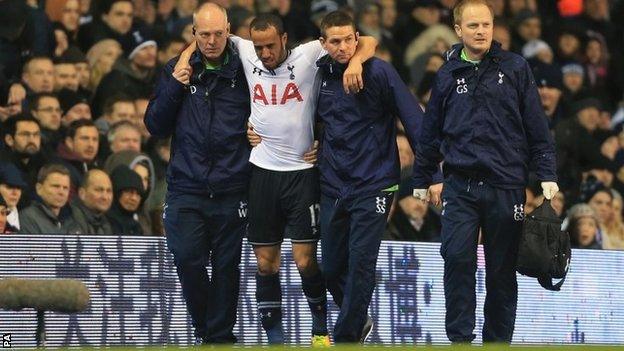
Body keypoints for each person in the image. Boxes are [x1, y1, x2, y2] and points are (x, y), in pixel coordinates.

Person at [176, 9, 377, 345]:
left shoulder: (308, 54)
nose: (264, 53)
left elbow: (367, 39)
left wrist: (356, 63)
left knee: (305, 260)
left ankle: (319, 329)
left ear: (284, 39)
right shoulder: (241, 48)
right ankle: (275, 339)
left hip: (302, 172)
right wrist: (184, 56)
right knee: (266, 264)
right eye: (259, 47)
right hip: (261, 173)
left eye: (270, 45)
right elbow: (203, 38)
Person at [412, 0, 558, 343]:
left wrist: (547, 173)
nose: (481, 32)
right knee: (457, 259)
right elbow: (431, 130)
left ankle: (497, 344)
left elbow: (537, 126)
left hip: (507, 186)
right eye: (473, 26)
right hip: (460, 186)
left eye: (487, 25)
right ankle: (460, 341)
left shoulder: (516, 67)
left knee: (502, 274)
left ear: (494, 28)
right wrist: (422, 177)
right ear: (458, 29)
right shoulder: (447, 73)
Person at [313, 10, 425, 343]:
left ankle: (346, 337)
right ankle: (359, 319)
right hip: (333, 182)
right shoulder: (317, 75)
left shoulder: (378, 72)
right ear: (323, 44)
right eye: (335, 41)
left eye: (350, 39)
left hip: (375, 181)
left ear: (358, 38)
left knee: (361, 261)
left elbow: (413, 118)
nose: (344, 46)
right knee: (332, 267)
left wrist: (430, 172)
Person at [144, 3, 251, 344]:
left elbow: (269, 112)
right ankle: (209, 330)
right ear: (193, 34)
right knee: (188, 260)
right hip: (186, 187)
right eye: (204, 34)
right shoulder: (176, 69)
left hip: (233, 187)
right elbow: (154, 125)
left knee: (226, 269)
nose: (211, 41)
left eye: (218, 33)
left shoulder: (247, 70)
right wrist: (175, 85)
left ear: (229, 30)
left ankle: (218, 338)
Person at [19, 163, 78, 234]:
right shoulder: (28, 218)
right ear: (39, 188)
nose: (61, 192)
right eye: (56, 186)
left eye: (65, 188)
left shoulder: (74, 218)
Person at [70, 169, 114, 234]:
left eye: (109, 191)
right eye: (99, 190)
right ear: (82, 193)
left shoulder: (104, 221)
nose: (105, 197)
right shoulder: (71, 218)